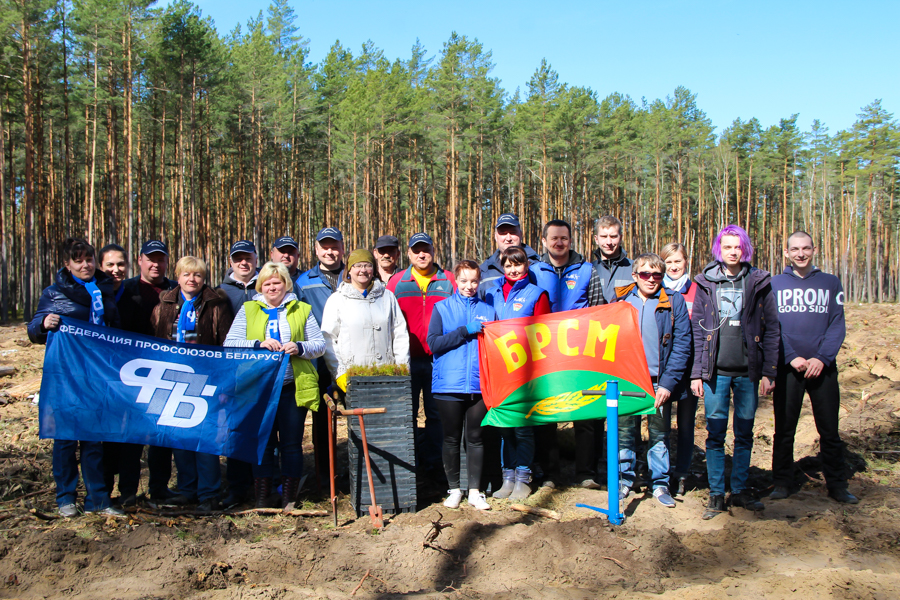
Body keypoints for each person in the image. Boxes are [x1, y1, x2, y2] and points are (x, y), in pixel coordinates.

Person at [28, 238, 124, 518]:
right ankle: (66, 498)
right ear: (67, 264)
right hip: (66, 377)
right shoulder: (54, 293)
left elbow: (114, 330)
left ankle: (97, 499)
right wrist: (44, 324)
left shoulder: (104, 290)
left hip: (96, 376)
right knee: (66, 440)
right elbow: (33, 329)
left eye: (89, 259)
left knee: (93, 441)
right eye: (78, 260)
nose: (85, 265)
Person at [690, 225, 780, 519]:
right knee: (715, 434)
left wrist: (770, 371)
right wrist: (696, 373)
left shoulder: (758, 281)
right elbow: (697, 328)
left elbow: (771, 328)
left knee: (744, 433)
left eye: (737, 247)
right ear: (719, 249)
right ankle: (716, 494)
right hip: (716, 374)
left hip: (747, 374)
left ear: (745, 249)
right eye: (727, 246)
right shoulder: (706, 283)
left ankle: (739, 490)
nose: (732, 251)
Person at [225, 262, 325, 508]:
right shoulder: (249, 309)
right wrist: (258, 343)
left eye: (277, 282)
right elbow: (230, 343)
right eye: (267, 283)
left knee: (291, 444)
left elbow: (320, 345)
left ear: (286, 285)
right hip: (259, 388)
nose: (272, 287)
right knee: (263, 443)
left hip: (292, 387)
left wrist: (299, 347)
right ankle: (263, 497)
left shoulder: (302, 309)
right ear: (261, 286)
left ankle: (289, 497)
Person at [769, 232, 857, 504]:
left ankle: (838, 485)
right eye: (794, 249)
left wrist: (822, 358)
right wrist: (791, 356)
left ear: (814, 250)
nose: (800, 254)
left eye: (806, 248)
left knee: (829, 430)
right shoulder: (775, 284)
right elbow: (773, 327)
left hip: (823, 369)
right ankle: (782, 482)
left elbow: (837, 324)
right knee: (784, 429)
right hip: (789, 368)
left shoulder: (830, 283)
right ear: (785, 253)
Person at [150, 256, 234, 511]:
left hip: (206, 379)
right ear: (178, 276)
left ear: (203, 278)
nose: (192, 279)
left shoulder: (216, 303)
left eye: (197, 275)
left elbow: (225, 344)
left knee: (205, 436)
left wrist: (223, 382)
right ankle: (188, 489)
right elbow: (154, 340)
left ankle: (208, 493)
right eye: (186, 274)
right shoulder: (164, 304)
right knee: (180, 436)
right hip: (173, 378)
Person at [530, 219, 606, 489]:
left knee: (585, 415)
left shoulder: (587, 270)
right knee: (546, 414)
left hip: (581, 354)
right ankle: (550, 474)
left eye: (564, 238)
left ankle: (585, 473)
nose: (559, 243)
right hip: (545, 355)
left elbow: (599, 310)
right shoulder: (533, 271)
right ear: (544, 242)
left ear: (570, 241)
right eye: (554, 238)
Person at [613, 254, 691, 508]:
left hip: (658, 382)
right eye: (645, 274)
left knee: (659, 434)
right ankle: (625, 480)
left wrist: (668, 384)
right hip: (627, 380)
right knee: (625, 433)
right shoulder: (621, 300)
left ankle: (659, 484)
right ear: (635, 276)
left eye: (657, 274)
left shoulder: (673, 301)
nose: (651, 279)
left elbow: (682, 345)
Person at [482, 246, 551, 500]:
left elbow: (545, 335)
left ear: (526, 265)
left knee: (523, 427)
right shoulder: (491, 294)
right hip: (499, 370)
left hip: (526, 372)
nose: (513, 269)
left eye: (518, 264)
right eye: (508, 265)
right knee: (505, 425)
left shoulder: (537, 294)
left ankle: (524, 477)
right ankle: (507, 477)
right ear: (502, 266)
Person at [426, 260, 496, 511]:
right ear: (455, 280)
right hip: (448, 386)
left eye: (474, 281)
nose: (469, 286)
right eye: (464, 281)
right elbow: (433, 344)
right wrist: (465, 330)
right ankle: (454, 489)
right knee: (452, 438)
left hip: (479, 386)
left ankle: (475, 492)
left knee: (476, 438)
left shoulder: (489, 311)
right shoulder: (441, 308)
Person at [387, 233, 456, 478]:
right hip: (407, 361)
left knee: (437, 414)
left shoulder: (449, 280)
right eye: (416, 250)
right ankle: (410, 466)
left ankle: (436, 466)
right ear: (408, 254)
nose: (421, 254)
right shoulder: (397, 282)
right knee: (408, 413)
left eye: (425, 249)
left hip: (441, 360)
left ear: (433, 251)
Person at [116, 239, 179, 504]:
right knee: (131, 435)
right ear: (140, 260)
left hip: (164, 370)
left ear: (167, 262)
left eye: (160, 259)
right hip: (131, 370)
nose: (155, 264)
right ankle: (128, 491)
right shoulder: (125, 289)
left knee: (161, 434)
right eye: (150, 259)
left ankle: (160, 488)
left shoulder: (175, 290)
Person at [294, 227, 346, 487]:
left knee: (357, 415)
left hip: (349, 359)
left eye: (334, 246)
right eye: (324, 246)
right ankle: (326, 477)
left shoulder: (355, 275)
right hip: (317, 360)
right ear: (316, 249)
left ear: (342, 248)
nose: (330, 251)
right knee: (322, 420)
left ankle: (358, 470)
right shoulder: (304, 281)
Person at [320, 248, 410, 391]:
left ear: (374, 269)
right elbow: (329, 340)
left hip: (386, 375)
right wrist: (340, 373)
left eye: (368, 265)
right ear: (349, 270)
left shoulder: (387, 297)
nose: (363, 270)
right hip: (353, 377)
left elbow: (400, 335)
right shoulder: (337, 300)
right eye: (357, 266)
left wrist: (402, 368)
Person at [96, 244, 141, 507]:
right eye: (110, 265)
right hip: (101, 379)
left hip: (131, 380)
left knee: (131, 438)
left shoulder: (135, 298)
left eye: (120, 264)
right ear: (101, 266)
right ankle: (102, 493)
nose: (116, 270)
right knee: (102, 439)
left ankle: (129, 493)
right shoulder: (90, 296)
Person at [217, 240, 260, 508]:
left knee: (265, 430)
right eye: (238, 258)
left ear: (256, 259)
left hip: (263, 372)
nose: (243, 263)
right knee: (235, 429)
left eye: (248, 258)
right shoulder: (220, 293)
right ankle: (236, 487)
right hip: (232, 372)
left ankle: (264, 483)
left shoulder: (267, 286)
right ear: (230, 262)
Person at [660, 242, 699, 496]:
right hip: (664, 369)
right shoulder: (657, 290)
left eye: (678, 261)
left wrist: (698, 371)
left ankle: (682, 473)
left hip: (690, 369)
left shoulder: (698, 290)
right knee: (660, 425)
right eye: (669, 262)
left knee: (685, 424)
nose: (674, 267)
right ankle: (660, 473)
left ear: (687, 262)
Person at [479, 213, 540, 292]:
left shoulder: (537, 266)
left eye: (513, 232)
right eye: (503, 233)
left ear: (521, 235)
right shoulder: (485, 270)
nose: (508, 238)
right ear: (495, 237)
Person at [592, 215, 634, 303]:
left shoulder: (634, 269)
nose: (608, 242)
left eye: (613, 236)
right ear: (596, 239)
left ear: (621, 238)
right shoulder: (588, 270)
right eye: (604, 236)